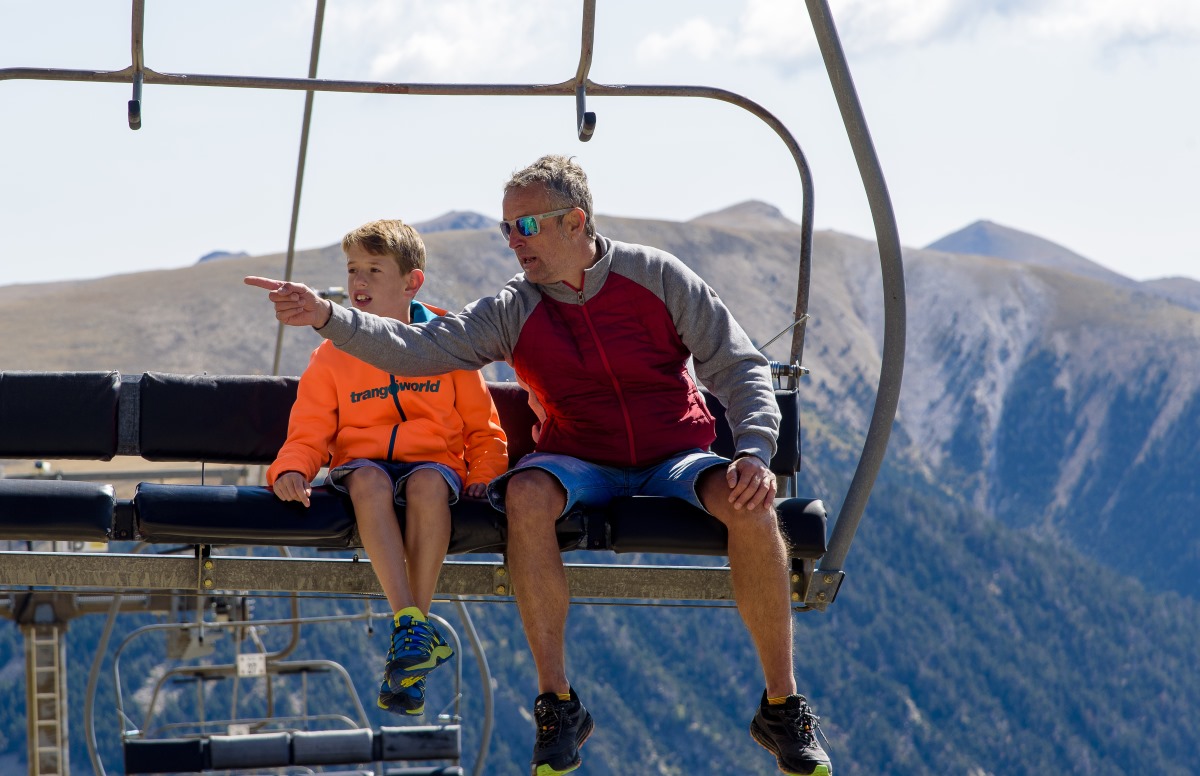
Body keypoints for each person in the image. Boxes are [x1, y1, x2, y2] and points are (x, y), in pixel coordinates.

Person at [246, 156, 832, 776]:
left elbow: (737, 365)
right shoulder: (513, 308)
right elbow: (417, 349)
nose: (513, 242)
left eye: (525, 226)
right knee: (525, 496)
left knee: (751, 500)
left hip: (676, 455)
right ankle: (558, 704)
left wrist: (753, 452)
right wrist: (329, 318)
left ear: (575, 221)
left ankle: (781, 704)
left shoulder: (657, 277)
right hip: (577, 459)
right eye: (506, 230)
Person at [262, 218, 508, 718]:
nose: (358, 282)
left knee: (426, 486)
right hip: (363, 463)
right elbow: (309, 431)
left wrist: (484, 472)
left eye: (374, 270)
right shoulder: (332, 355)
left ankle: (408, 636)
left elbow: (483, 427)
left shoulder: (449, 345)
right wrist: (291, 469)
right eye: (353, 269)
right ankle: (412, 626)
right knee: (369, 480)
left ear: (411, 282)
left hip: (432, 465)